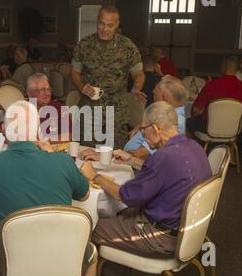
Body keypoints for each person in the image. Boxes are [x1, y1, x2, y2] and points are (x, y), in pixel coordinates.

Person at [0, 100, 95, 276]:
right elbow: (85, 195)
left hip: (5, 259)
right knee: (91, 254)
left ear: (3, 129)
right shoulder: (63, 161)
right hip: (60, 254)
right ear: (38, 132)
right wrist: (50, 152)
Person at [80, 101, 212, 257]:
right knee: (117, 212)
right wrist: (132, 160)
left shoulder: (163, 157)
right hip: (188, 230)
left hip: (160, 236)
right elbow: (168, 175)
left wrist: (95, 175)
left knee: (88, 227)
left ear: (155, 129)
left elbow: (127, 196)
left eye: (143, 129)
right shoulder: (194, 147)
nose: (141, 134)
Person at [71, 5, 145, 149]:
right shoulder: (84, 45)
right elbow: (74, 72)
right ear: (97, 22)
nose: (104, 29)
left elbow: (138, 73)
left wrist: (136, 88)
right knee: (87, 153)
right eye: (101, 24)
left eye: (109, 25)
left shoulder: (127, 46)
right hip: (90, 110)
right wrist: (81, 86)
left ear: (117, 25)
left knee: (116, 155)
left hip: (116, 112)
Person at [81, 75, 187, 162]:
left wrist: (106, 157)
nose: (153, 92)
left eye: (156, 90)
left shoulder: (173, 122)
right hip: (128, 162)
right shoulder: (168, 114)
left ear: (164, 97)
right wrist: (141, 127)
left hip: (136, 169)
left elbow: (141, 154)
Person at [187, 56, 242, 134]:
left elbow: (195, 111)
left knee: (187, 122)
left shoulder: (211, 86)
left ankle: (195, 146)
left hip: (209, 127)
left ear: (224, 67)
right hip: (232, 128)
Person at [26, 73, 71, 141]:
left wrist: (45, 141)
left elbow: (69, 135)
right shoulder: (23, 110)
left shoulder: (59, 107)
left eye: (48, 89)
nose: (47, 93)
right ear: (29, 93)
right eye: (42, 90)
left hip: (54, 149)